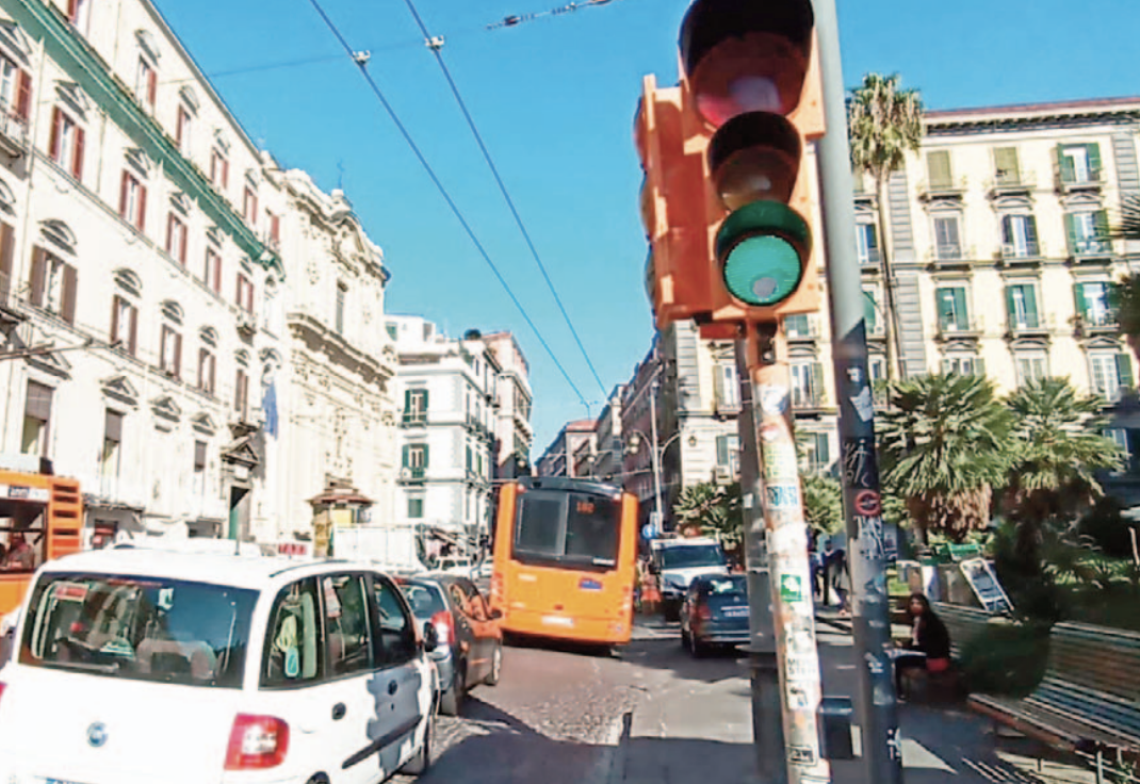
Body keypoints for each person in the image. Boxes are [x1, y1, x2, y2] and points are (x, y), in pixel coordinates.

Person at [894, 593, 952, 699]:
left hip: (935, 659)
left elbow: (926, 645)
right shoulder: (918, 620)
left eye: (918, 603)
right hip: (927, 655)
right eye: (912, 603)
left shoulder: (930, 622)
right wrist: (905, 646)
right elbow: (917, 642)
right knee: (898, 658)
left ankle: (899, 693)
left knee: (899, 661)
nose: (915, 606)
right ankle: (899, 691)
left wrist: (908, 648)